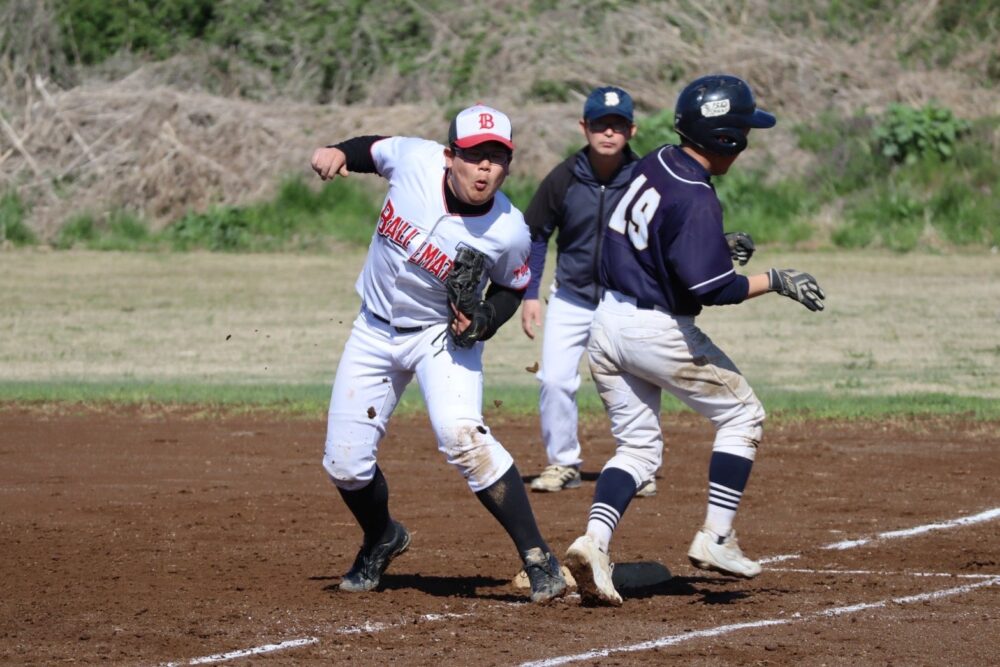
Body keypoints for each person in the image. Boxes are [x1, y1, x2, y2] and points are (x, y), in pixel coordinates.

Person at [562, 74, 827, 606]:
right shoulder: (700, 196)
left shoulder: (656, 161)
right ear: (729, 140)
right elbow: (716, 289)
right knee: (743, 416)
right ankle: (717, 537)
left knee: (638, 448)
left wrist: (710, 244)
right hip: (654, 331)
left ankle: (593, 542)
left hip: (606, 323)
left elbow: (650, 235)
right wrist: (774, 280)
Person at [309, 104, 567, 604]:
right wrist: (339, 151)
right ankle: (382, 536)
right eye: (474, 156)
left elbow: (512, 287)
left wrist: (486, 319)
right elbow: (372, 150)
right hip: (374, 329)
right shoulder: (416, 161)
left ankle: (539, 558)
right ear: (451, 156)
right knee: (344, 464)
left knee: (462, 437)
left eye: (497, 157)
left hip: (439, 336)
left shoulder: (509, 229)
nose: (485, 168)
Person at [520, 86, 655, 497]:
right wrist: (529, 294)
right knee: (556, 380)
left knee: (636, 383)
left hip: (625, 300)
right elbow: (536, 235)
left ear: (631, 130)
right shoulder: (563, 178)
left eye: (617, 125)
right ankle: (563, 463)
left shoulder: (645, 178)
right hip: (571, 297)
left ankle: (639, 466)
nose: (608, 133)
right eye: (600, 125)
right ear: (585, 127)